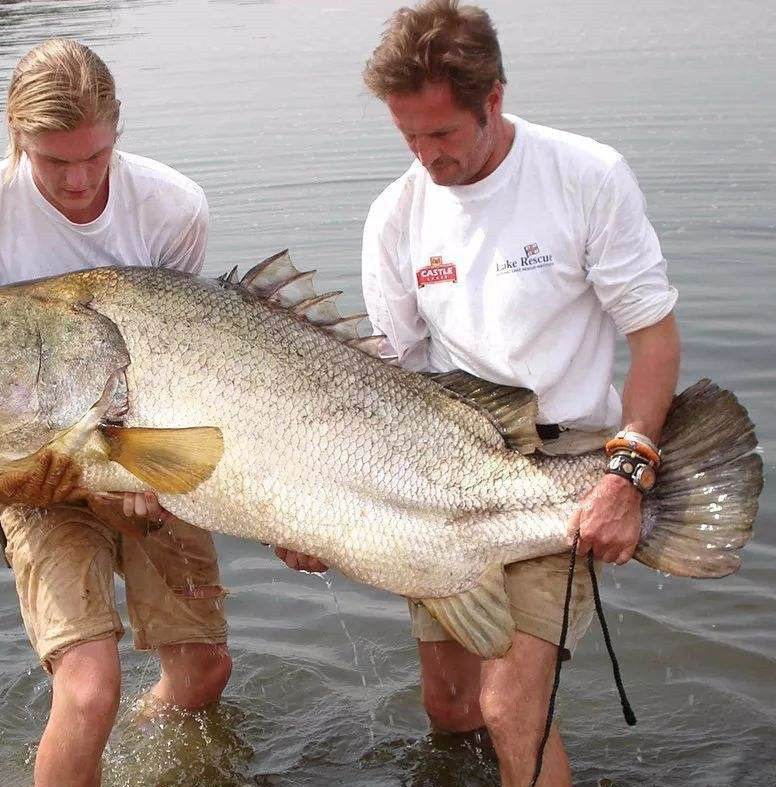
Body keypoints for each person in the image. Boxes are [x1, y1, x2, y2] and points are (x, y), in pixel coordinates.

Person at [277, 2, 681, 785]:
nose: (427, 157)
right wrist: (315, 513)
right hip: (441, 461)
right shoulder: (394, 217)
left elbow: (655, 340)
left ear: (492, 99)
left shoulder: (587, 176)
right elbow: (382, 388)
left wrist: (626, 472)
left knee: (509, 707)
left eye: (443, 135)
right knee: (450, 706)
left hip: (569, 463)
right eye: (408, 137)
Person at [0, 38, 231, 787]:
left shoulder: (172, 206)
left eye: (95, 157)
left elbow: (185, 358)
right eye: (54, 162)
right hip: (34, 467)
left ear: (117, 130)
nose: (79, 179)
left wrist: (144, 482)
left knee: (204, 673)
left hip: (150, 450)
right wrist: (30, 483)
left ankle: (146, 750)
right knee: (89, 687)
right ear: (15, 136)